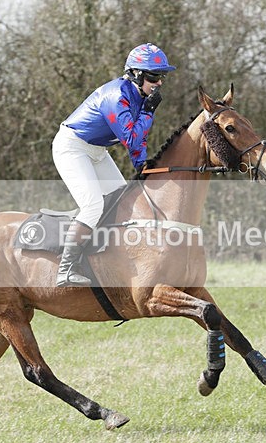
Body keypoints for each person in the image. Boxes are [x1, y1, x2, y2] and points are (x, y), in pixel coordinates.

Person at [52, 43, 176, 287]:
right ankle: (65, 269)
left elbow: (138, 140)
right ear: (136, 74)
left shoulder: (139, 95)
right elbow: (131, 139)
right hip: (72, 148)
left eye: (161, 77)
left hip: (97, 150)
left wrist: (141, 165)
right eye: (153, 76)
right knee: (93, 205)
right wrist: (149, 113)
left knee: (123, 204)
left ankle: (109, 261)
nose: (159, 82)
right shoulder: (117, 96)